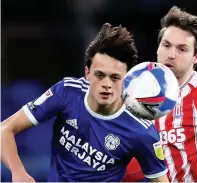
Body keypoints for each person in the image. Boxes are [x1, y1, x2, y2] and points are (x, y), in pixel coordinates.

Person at [0, 23, 169, 182]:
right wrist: (18, 172)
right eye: (100, 75)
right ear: (87, 73)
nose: (107, 85)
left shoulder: (141, 130)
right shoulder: (66, 92)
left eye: (115, 78)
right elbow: (4, 130)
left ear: (128, 79)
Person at [124, 6, 197, 182]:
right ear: (158, 48)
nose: (171, 55)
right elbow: (139, 167)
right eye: (166, 45)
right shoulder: (141, 102)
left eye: (182, 49)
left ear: (196, 57)